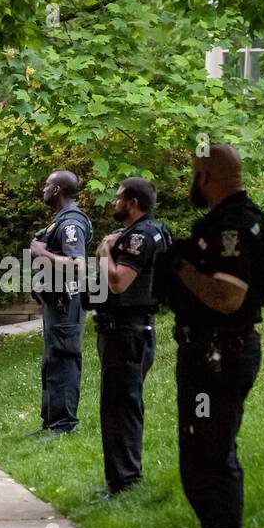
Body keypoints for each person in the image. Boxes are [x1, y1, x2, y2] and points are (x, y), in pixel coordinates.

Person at [165, 144, 264, 528]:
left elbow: (229, 297)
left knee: (212, 455)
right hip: (205, 352)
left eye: (194, 173)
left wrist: (183, 268)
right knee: (198, 455)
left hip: (220, 355)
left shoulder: (233, 226)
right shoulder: (223, 220)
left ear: (205, 176)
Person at [93, 177, 169, 497]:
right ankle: (123, 478)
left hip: (126, 331)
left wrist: (106, 250)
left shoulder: (139, 237)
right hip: (129, 329)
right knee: (122, 405)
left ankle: (124, 482)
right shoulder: (153, 231)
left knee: (120, 408)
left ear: (133, 202)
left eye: (118, 197)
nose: (114, 202)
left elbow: (118, 282)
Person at [27, 170, 92, 438]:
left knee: (64, 359)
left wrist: (42, 253)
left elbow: (77, 265)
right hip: (55, 301)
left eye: (46, 184)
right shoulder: (59, 221)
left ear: (57, 190)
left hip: (67, 302)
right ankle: (51, 421)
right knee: (52, 361)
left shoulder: (71, 223)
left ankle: (65, 425)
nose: (43, 189)